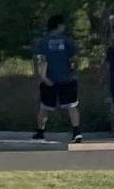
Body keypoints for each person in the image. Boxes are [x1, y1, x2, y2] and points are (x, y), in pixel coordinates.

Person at [33, 14, 82, 143]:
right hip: (67, 79)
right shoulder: (68, 42)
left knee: (44, 107)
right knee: (72, 106)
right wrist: (73, 72)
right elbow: (74, 61)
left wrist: (43, 77)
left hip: (50, 80)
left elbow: (41, 61)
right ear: (59, 25)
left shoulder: (43, 43)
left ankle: (40, 132)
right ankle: (76, 132)